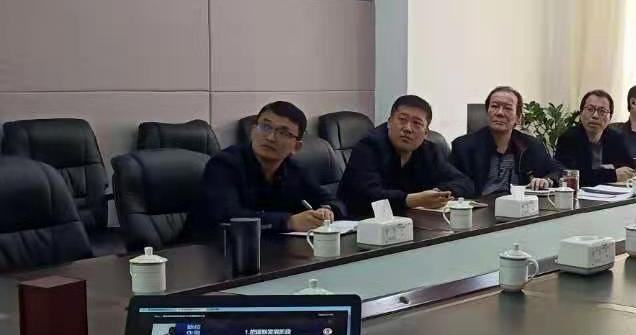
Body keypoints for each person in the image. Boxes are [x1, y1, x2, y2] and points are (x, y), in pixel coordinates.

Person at [189, 101, 337, 235]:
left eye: (283, 133)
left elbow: (330, 200)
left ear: (296, 147)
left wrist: (326, 210)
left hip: (269, 249)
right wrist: (288, 222)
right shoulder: (224, 164)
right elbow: (227, 216)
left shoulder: (293, 169)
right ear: (253, 130)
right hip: (206, 248)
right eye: (265, 127)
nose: (271, 137)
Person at [338, 94, 473, 217]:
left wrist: (437, 194)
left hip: (411, 222)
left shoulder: (429, 150)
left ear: (426, 133)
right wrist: (412, 200)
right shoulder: (368, 147)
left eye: (417, 123)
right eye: (402, 120)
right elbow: (369, 196)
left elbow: (464, 183)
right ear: (389, 122)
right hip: (361, 223)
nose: (408, 128)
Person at [450, 86, 564, 197]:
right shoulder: (463, 146)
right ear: (487, 112)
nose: (500, 113)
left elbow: (559, 170)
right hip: (479, 207)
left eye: (508, 108)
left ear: (518, 118)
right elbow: (451, 181)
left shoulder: (530, 145)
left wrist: (547, 180)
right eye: (494, 106)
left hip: (519, 205)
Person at [554, 90, 636, 187]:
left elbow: (630, 169)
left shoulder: (615, 137)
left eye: (602, 111)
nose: (595, 115)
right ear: (581, 113)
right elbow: (572, 176)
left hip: (612, 192)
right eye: (590, 109)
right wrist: (612, 174)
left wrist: (599, 171)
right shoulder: (569, 138)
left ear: (610, 117)